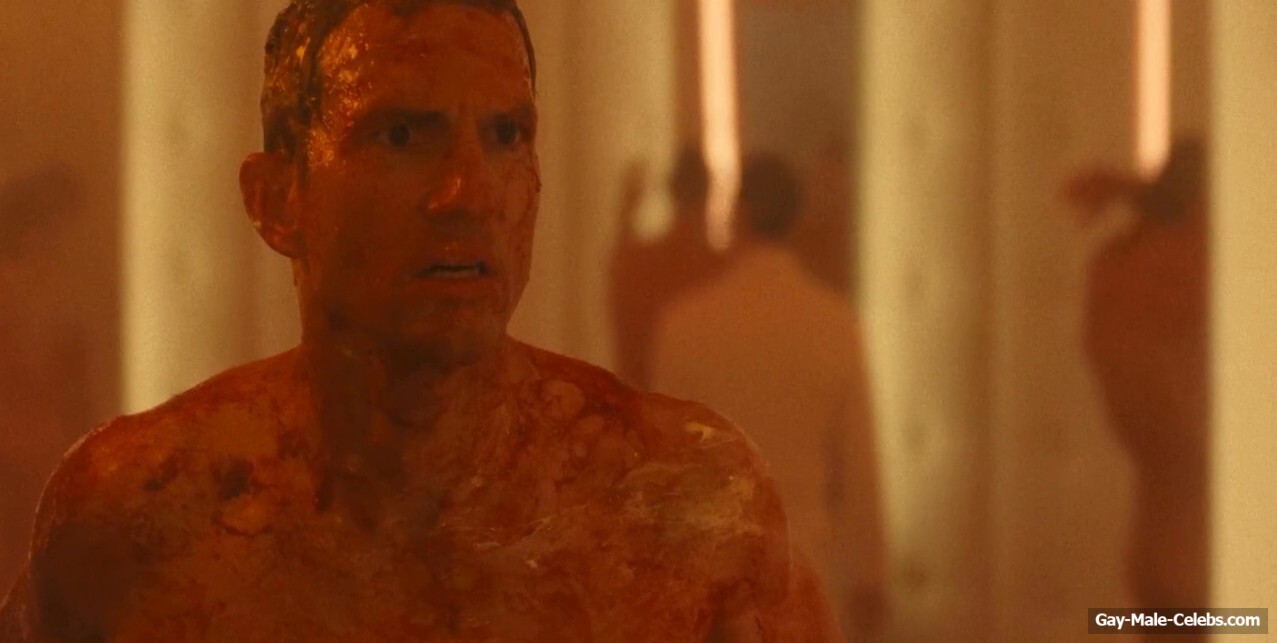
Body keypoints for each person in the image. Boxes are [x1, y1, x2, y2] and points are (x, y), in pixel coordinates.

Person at [0, 1, 840, 640]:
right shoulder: (138, 521)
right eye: (402, 134)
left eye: (506, 135)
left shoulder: (685, 519)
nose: (468, 194)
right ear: (276, 198)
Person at [652, 153, 887, 642]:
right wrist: (871, 578)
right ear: (797, 220)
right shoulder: (835, 325)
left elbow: (666, 475)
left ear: (737, 214)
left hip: (715, 587)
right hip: (808, 575)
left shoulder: (685, 326)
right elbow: (858, 471)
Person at [1063, 139, 1208, 622]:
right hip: (1204, 554)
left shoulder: (1120, 268)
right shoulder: (1190, 273)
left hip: (1161, 550)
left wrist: (1136, 193)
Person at [0, 163, 92, 593]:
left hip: (52, 557)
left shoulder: (67, 348)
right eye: (21, 255)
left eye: (48, 254)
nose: (38, 272)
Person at [609, 147, 727, 389]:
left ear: (672, 192)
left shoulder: (639, 262)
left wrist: (626, 213)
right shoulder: (721, 269)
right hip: (702, 401)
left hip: (643, 399)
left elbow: (623, 329)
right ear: (709, 196)